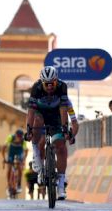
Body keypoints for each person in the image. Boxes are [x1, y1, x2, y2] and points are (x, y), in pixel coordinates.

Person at [25, 66, 78, 200]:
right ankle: (36, 153)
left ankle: (61, 184)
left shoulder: (62, 87)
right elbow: (31, 112)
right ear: (42, 83)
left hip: (56, 116)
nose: (49, 87)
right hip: (40, 112)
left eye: (52, 84)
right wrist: (29, 130)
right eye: (46, 84)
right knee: (37, 124)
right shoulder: (36, 88)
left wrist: (68, 131)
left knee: (61, 147)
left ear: (56, 81)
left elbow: (71, 118)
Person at [1, 129, 28, 194]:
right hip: (11, 152)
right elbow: (4, 148)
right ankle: (9, 184)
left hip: (19, 152)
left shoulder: (23, 140)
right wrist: (4, 158)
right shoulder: (10, 137)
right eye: (18, 137)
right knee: (9, 168)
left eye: (20, 137)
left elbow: (26, 151)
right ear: (15, 135)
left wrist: (23, 160)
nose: (19, 138)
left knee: (20, 168)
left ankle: (19, 184)